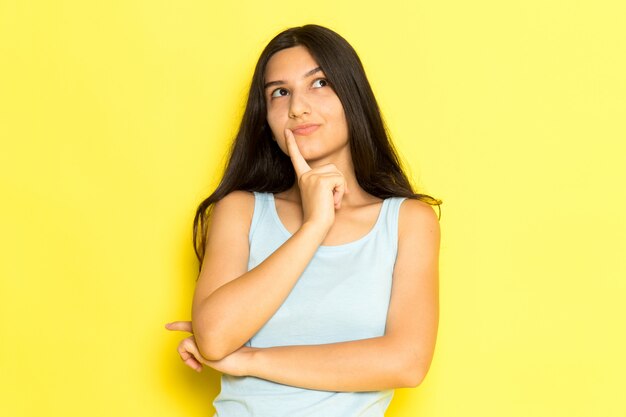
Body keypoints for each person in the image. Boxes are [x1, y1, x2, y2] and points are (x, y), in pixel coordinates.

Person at [165, 24, 441, 417]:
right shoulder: (239, 210)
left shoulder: (408, 221)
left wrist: (250, 360)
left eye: (320, 83)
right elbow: (213, 338)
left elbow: (406, 362)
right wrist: (314, 226)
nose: (297, 107)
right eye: (280, 92)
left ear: (353, 97)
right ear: (266, 118)